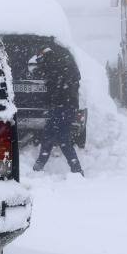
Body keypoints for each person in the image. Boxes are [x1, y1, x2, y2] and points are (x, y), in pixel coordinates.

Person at [32, 46, 84, 175]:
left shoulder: (52, 63)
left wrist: (38, 70)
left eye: (39, 56)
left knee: (61, 137)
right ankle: (39, 165)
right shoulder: (59, 61)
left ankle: (76, 169)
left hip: (63, 106)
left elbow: (54, 82)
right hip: (64, 106)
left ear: (43, 54)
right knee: (49, 134)